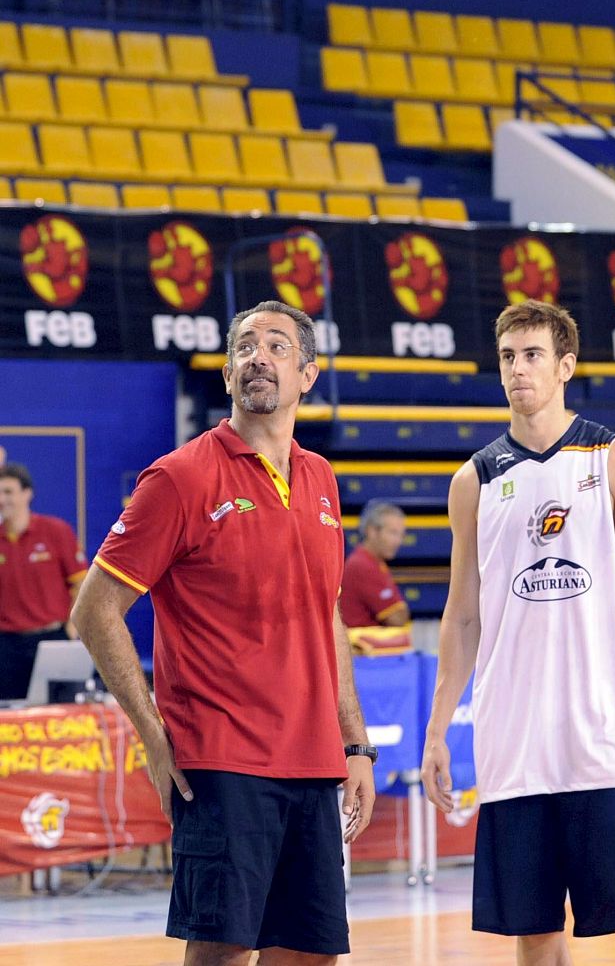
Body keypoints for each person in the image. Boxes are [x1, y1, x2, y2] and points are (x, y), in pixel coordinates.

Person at [72, 300, 377, 965]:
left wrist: (354, 744)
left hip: (313, 760)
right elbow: (92, 613)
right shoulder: (180, 477)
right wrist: (155, 737)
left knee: (311, 953)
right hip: (222, 759)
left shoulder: (321, 479)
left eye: (276, 346)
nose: (257, 357)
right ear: (229, 372)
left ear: (307, 375)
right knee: (223, 951)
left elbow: (328, 615)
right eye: (243, 346)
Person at [422, 300, 615, 966]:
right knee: (533, 930)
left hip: (603, 734)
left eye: (532, 355)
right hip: (513, 744)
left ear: (566, 365)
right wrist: (438, 729)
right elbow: (462, 613)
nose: (517, 369)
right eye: (507, 356)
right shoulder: (472, 482)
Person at [0, 461, 86, 700]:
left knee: (61, 718)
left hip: (52, 640)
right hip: (6, 646)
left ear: (27, 493)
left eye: (8, 492)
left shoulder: (55, 531)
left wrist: (70, 630)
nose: (2, 499)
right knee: (8, 721)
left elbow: (82, 584)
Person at [340, 500, 410, 628]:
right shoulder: (362, 565)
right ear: (371, 531)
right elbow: (397, 619)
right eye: (393, 533)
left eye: (401, 535)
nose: (398, 541)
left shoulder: (372, 562)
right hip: (364, 645)